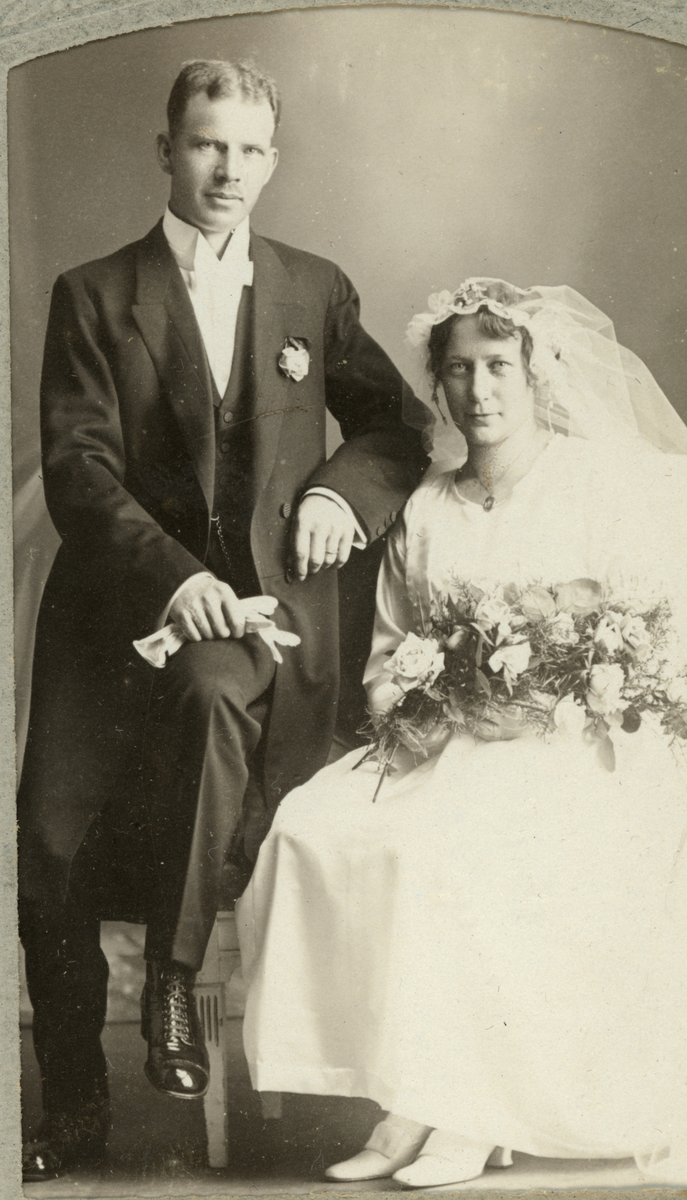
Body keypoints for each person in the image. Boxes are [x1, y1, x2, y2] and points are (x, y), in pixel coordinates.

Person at [17, 59, 428, 1181]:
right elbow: (78, 468)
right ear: (167, 151)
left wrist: (338, 493)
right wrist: (170, 579)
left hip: (266, 623)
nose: (227, 170)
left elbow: (395, 428)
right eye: (206, 144)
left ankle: (171, 984)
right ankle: (76, 1111)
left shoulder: (312, 287)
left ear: (273, 162)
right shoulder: (94, 293)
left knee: (211, 692)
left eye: (249, 150)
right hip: (119, 616)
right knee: (48, 844)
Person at [236, 278, 687, 1187]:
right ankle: (408, 1102)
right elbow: (387, 653)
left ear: (536, 372)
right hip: (446, 738)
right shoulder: (427, 507)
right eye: (459, 370)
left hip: (573, 743)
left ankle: (468, 1113)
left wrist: (548, 690)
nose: (479, 390)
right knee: (314, 825)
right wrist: (424, 700)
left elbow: (645, 635)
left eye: (499, 365)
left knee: (456, 849)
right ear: (436, 383)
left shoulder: (592, 482)